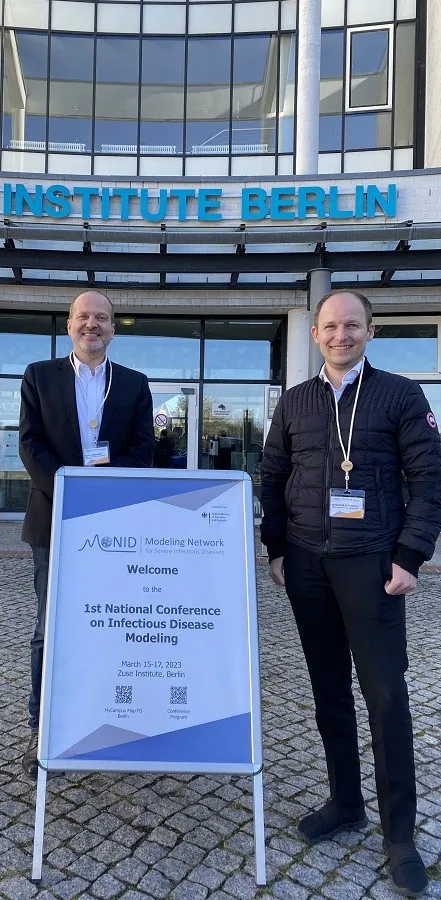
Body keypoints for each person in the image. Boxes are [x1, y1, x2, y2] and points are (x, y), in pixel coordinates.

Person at [260, 289, 441, 897]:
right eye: (331, 326)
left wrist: (411, 554)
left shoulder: (400, 395)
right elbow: (274, 477)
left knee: (386, 695)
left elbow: (427, 478)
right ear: (314, 333)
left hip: (374, 564)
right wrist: (277, 548)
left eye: (353, 326)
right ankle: (345, 802)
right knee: (329, 691)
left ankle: (400, 834)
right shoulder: (294, 402)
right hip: (308, 564)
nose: (341, 336)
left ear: (371, 331)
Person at [19, 289, 154, 777]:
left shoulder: (135, 384)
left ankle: (107, 720)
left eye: (102, 318)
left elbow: (144, 451)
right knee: (49, 628)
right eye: (83, 317)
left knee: (111, 624)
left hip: (114, 525)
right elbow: (31, 446)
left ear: (113, 328)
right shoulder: (39, 375)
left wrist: (101, 499)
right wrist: (72, 493)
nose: (92, 324)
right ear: (69, 325)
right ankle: (44, 728)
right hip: (53, 522)